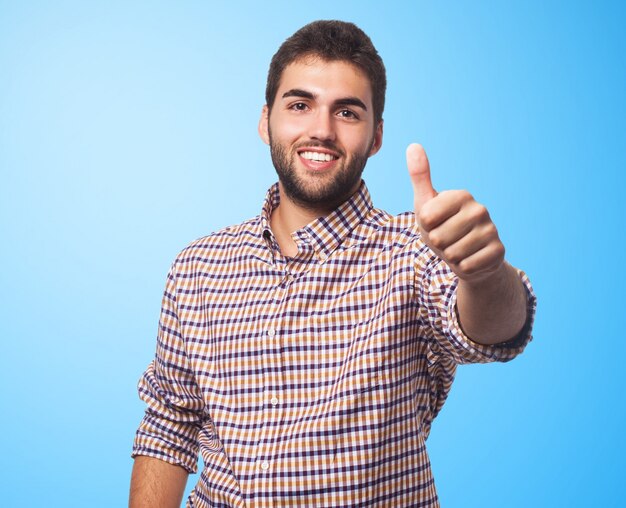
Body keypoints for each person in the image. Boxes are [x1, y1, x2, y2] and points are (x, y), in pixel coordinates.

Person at [129, 20, 536, 508]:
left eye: (347, 111)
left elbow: (494, 331)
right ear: (266, 122)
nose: (321, 130)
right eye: (300, 105)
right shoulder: (198, 267)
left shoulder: (414, 250)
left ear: (376, 135)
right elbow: (169, 425)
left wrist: (485, 274)